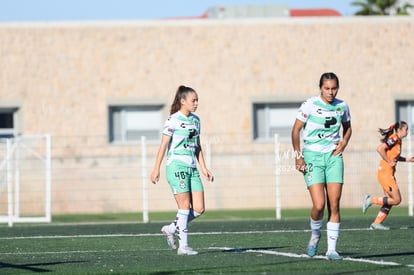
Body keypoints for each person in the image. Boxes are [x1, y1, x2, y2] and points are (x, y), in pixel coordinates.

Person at [291, 72, 352, 260]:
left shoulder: (342, 106)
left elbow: (348, 127)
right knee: (319, 204)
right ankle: (315, 235)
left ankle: (332, 250)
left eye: (334, 88)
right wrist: (298, 156)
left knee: (334, 204)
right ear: (321, 88)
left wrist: (344, 142)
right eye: (327, 88)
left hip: (333, 157)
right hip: (312, 157)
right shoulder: (309, 105)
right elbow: (295, 130)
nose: (331, 92)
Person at [150, 85, 214, 256]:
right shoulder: (173, 120)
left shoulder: (196, 120)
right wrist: (156, 168)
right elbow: (163, 145)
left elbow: (197, 146)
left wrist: (204, 168)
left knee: (199, 209)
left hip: (192, 168)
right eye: (193, 100)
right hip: (176, 166)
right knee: (184, 207)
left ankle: (171, 229)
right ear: (183, 101)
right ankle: (183, 247)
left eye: (197, 100)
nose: (196, 103)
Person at [362, 121, 414, 229]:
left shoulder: (398, 140)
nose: (407, 131)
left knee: (389, 201)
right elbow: (380, 149)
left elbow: (394, 156)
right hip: (385, 173)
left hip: (388, 173)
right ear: (399, 130)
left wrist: (407, 159)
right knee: (397, 200)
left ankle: (376, 224)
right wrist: (389, 161)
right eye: (406, 129)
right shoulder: (394, 138)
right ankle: (370, 200)